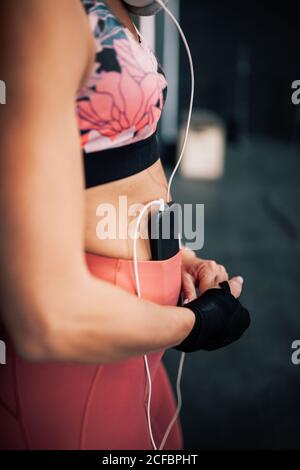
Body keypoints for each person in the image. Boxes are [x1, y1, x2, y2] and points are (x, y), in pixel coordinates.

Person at [0, 0, 248, 450]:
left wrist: (180, 260)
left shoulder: (118, 11)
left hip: (140, 355)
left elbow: (119, 171)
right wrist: (195, 324)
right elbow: (46, 318)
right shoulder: (42, 11)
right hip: (76, 368)